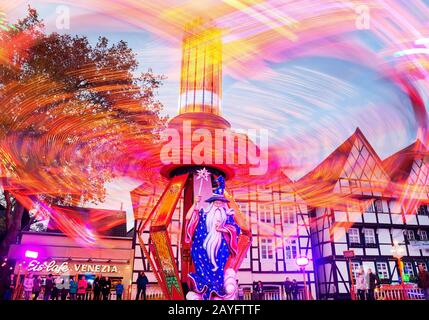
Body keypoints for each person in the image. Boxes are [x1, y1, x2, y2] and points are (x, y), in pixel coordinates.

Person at [185, 177, 241, 300]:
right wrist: (195, 204)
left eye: (221, 203)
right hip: (202, 250)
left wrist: (223, 229)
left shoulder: (227, 217)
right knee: (202, 272)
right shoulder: (203, 215)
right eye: (216, 203)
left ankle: (217, 292)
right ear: (212, 203)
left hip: (220, 250)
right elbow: (188, 218)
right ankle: (204, 292)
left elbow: (236, 229)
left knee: (218, 274)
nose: (218, 205)